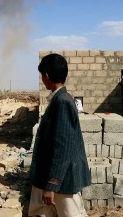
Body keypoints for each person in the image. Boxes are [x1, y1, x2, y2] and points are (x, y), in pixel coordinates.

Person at [29, 53, 91, 217]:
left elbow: (63, 147)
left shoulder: (62, 102)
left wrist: (52, 185)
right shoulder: (59, 99)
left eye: (42, 75)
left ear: (47, 76)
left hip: (62, 183)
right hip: (50, 178)